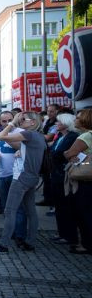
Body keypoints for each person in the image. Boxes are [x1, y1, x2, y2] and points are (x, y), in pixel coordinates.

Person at [0, 111, 46, 254]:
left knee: (10, 210)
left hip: (22, 177)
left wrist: (12, 123)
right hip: (31, 177)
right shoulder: (38, 136)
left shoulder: (28, 134)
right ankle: (30, 242)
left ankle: (3, 245)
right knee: (30, 211)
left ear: (33, 122)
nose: (21, 121)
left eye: (24, 119)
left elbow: (1, 136)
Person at [63, 109, 92, 254]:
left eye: (78, 118)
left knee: (83, 213)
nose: (75, 120)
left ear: (85, 120)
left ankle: (86, 244)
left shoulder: (86, 136)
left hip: (84, 178)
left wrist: (67, 153)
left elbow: (69, 153)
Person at [47, 113, 78, 246]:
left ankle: (69, 235)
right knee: (59, 206)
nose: (56, 124)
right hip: (56, 174)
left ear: (66, 123)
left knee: (66, 207)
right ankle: (62, 233)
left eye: (59, 122)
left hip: (64, 175)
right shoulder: (60, 136)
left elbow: (64, 154)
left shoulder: (72, 137)